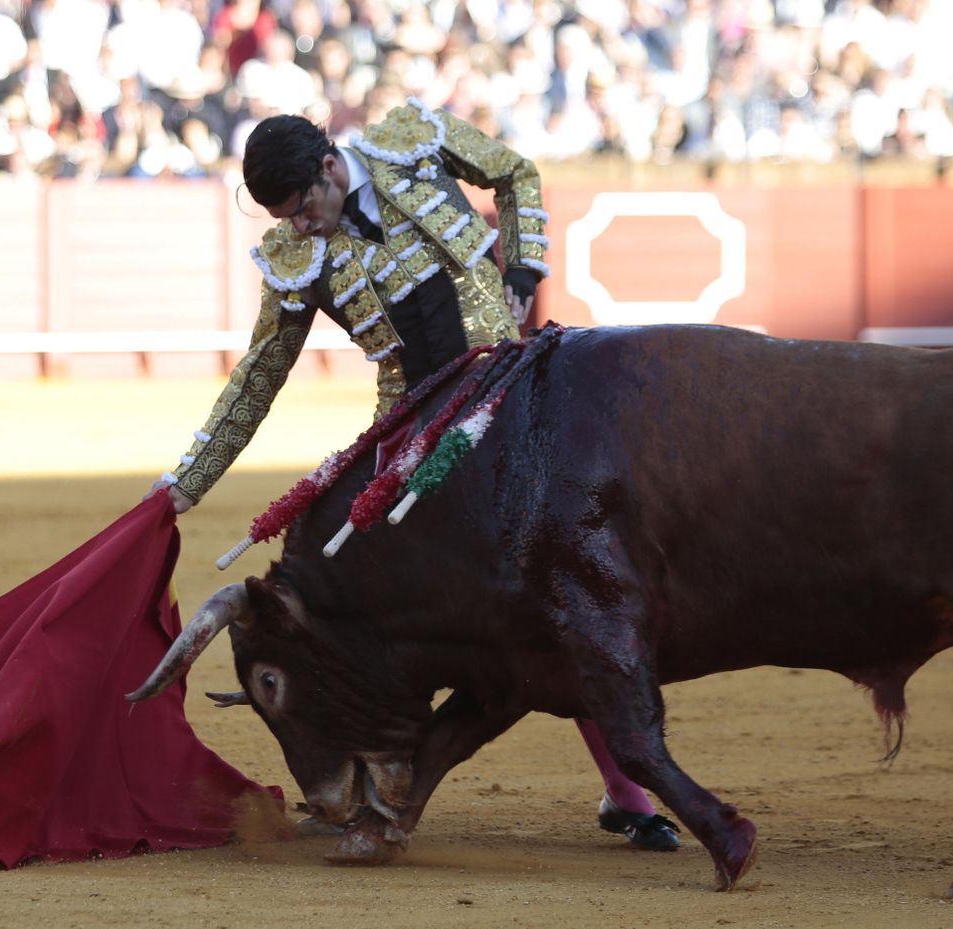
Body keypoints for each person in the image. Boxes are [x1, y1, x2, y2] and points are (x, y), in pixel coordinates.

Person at [151, 101, 679, 851]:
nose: (300, 228)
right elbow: (261, 372)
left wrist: (524, 263)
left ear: (331, 168)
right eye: (285, 218)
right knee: (394, 606)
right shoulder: (298, 256)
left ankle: (625, 792)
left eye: (304, 209)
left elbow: (514, 173)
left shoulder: (410, 146)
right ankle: (364, 763)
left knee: (564, 589)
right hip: (415, 440)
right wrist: (186, 482)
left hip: (519, 403)